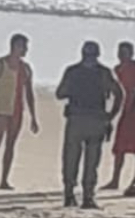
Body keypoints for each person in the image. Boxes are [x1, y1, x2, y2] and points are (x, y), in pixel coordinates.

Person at [56, 41, 123, 209]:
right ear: (98, 55)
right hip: (97, 120)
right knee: (92, 160)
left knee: (71, 157)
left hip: (76, 118)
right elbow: (119, 93)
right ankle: (88, 197)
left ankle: (69, 194)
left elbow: (60, 93)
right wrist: (110, 116)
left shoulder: (72, 72)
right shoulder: (104, 73)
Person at [0, 33, 39, 190]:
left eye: (26, 47)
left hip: (17, 111)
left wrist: (33, 116)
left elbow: (29, 93)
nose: (25, 50)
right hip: (1, 110)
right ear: (14, 46)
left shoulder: (26, 69)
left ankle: (4, 180)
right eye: (22, 46)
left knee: (10, 145)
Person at [101, 42, 135, 193]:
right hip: (124, 112)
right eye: (120, 52)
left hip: (133, 112)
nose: (121, 55)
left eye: (125, 52)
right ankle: (115, 180)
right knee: (119, 147)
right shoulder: (116, 70)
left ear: (131, 54)